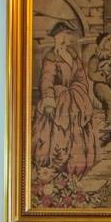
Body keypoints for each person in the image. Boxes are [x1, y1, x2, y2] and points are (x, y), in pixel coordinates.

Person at [38, 21, 97, 176]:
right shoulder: (51, 57)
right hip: (59, 102)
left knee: (78, 133)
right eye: (66, 34)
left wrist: (81, 91)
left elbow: (81, 75)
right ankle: (58, 168)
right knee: (59, 134)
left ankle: (76, 168)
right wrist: (49, 100)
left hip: (76, 99)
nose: (68, 38)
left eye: (69, 34)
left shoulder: (73, 54)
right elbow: (47, 80)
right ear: (58, 37)